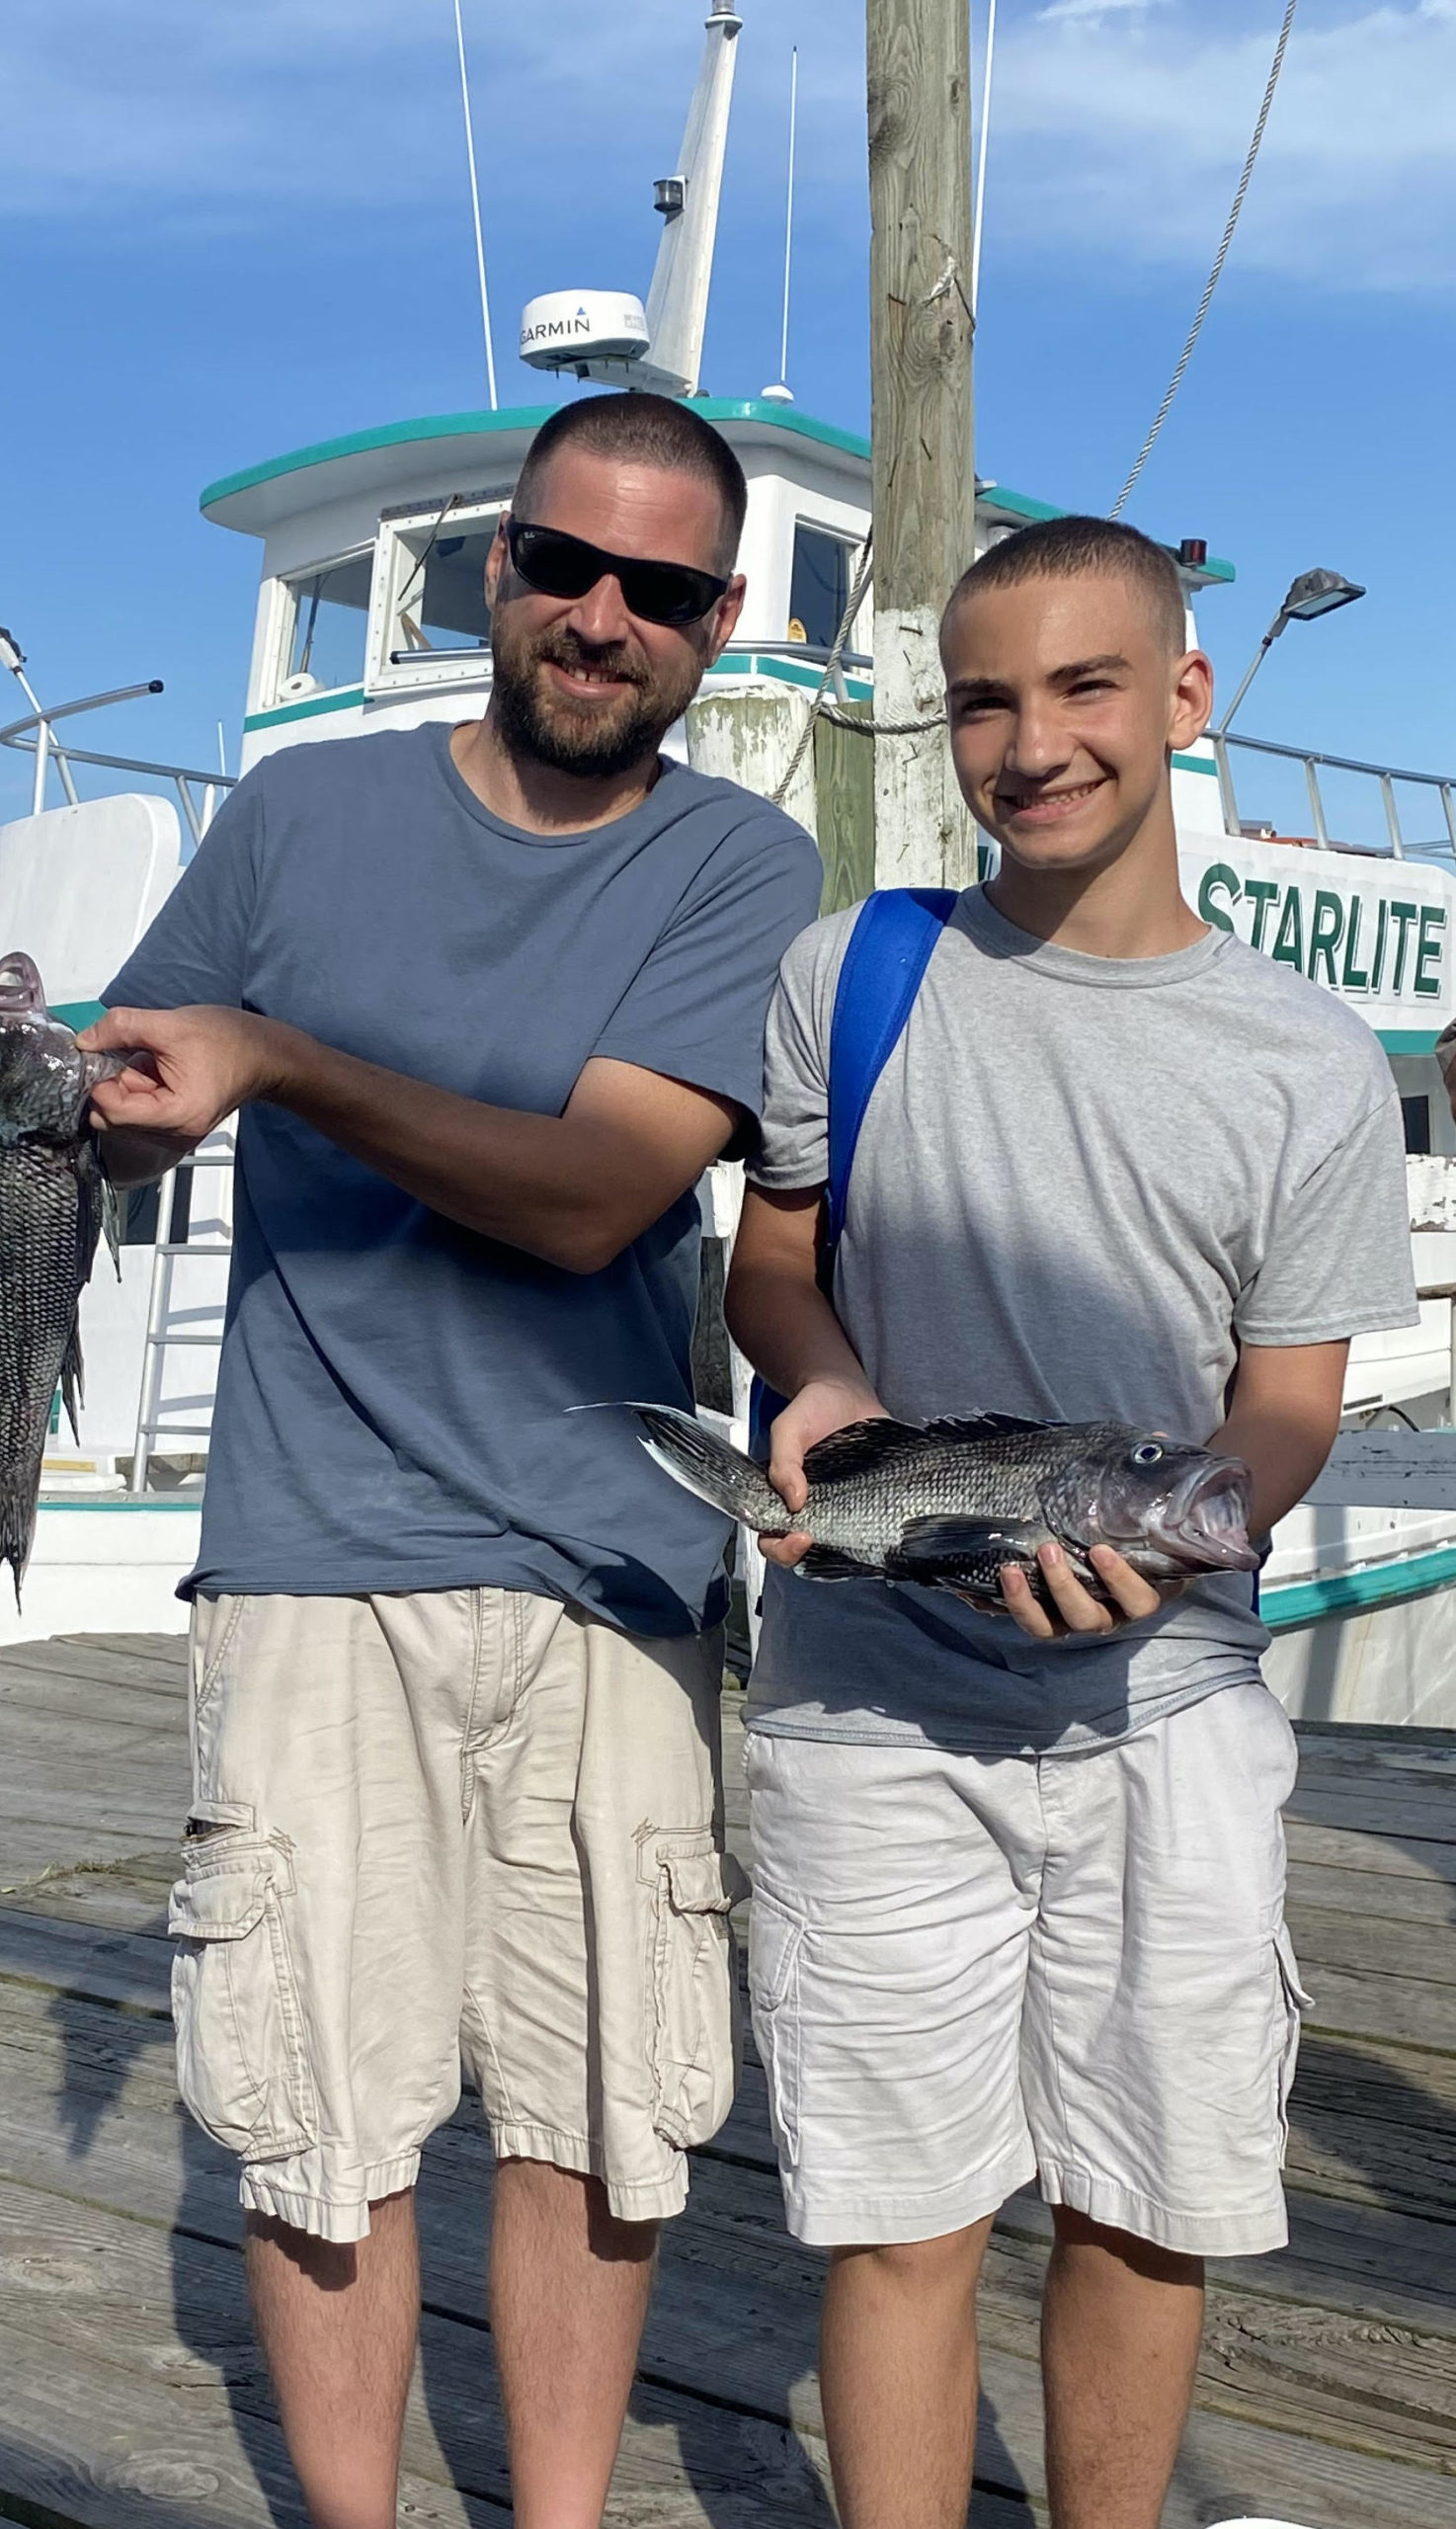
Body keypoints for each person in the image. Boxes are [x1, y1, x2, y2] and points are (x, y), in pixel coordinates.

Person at [79, 394, 820, 2529]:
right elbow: (123, 1105)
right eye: (563, 565)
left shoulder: (742, 864)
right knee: (316, 2114)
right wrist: (83, 1102)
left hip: (616, 1568)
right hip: (309, 1555)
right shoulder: (294, 813)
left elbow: (596, 1198)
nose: (600, 618)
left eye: (657, 589)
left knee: (603, 2109)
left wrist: (279, 1056)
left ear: (717, 622)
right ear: (497, 569)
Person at [725, 515, 1417, 2529]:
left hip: (1168, 1706)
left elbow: (1283, 1404)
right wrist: (821, 1387)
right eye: (985, 702)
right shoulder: (851, 970)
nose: (1032, 744)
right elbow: (772, 1270)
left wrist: (1176, 1550)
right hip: (868, 1704)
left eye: (1085, 685)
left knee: (1146, 2199)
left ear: (1183, 695)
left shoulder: (1303, 1055)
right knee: (896, 2213)